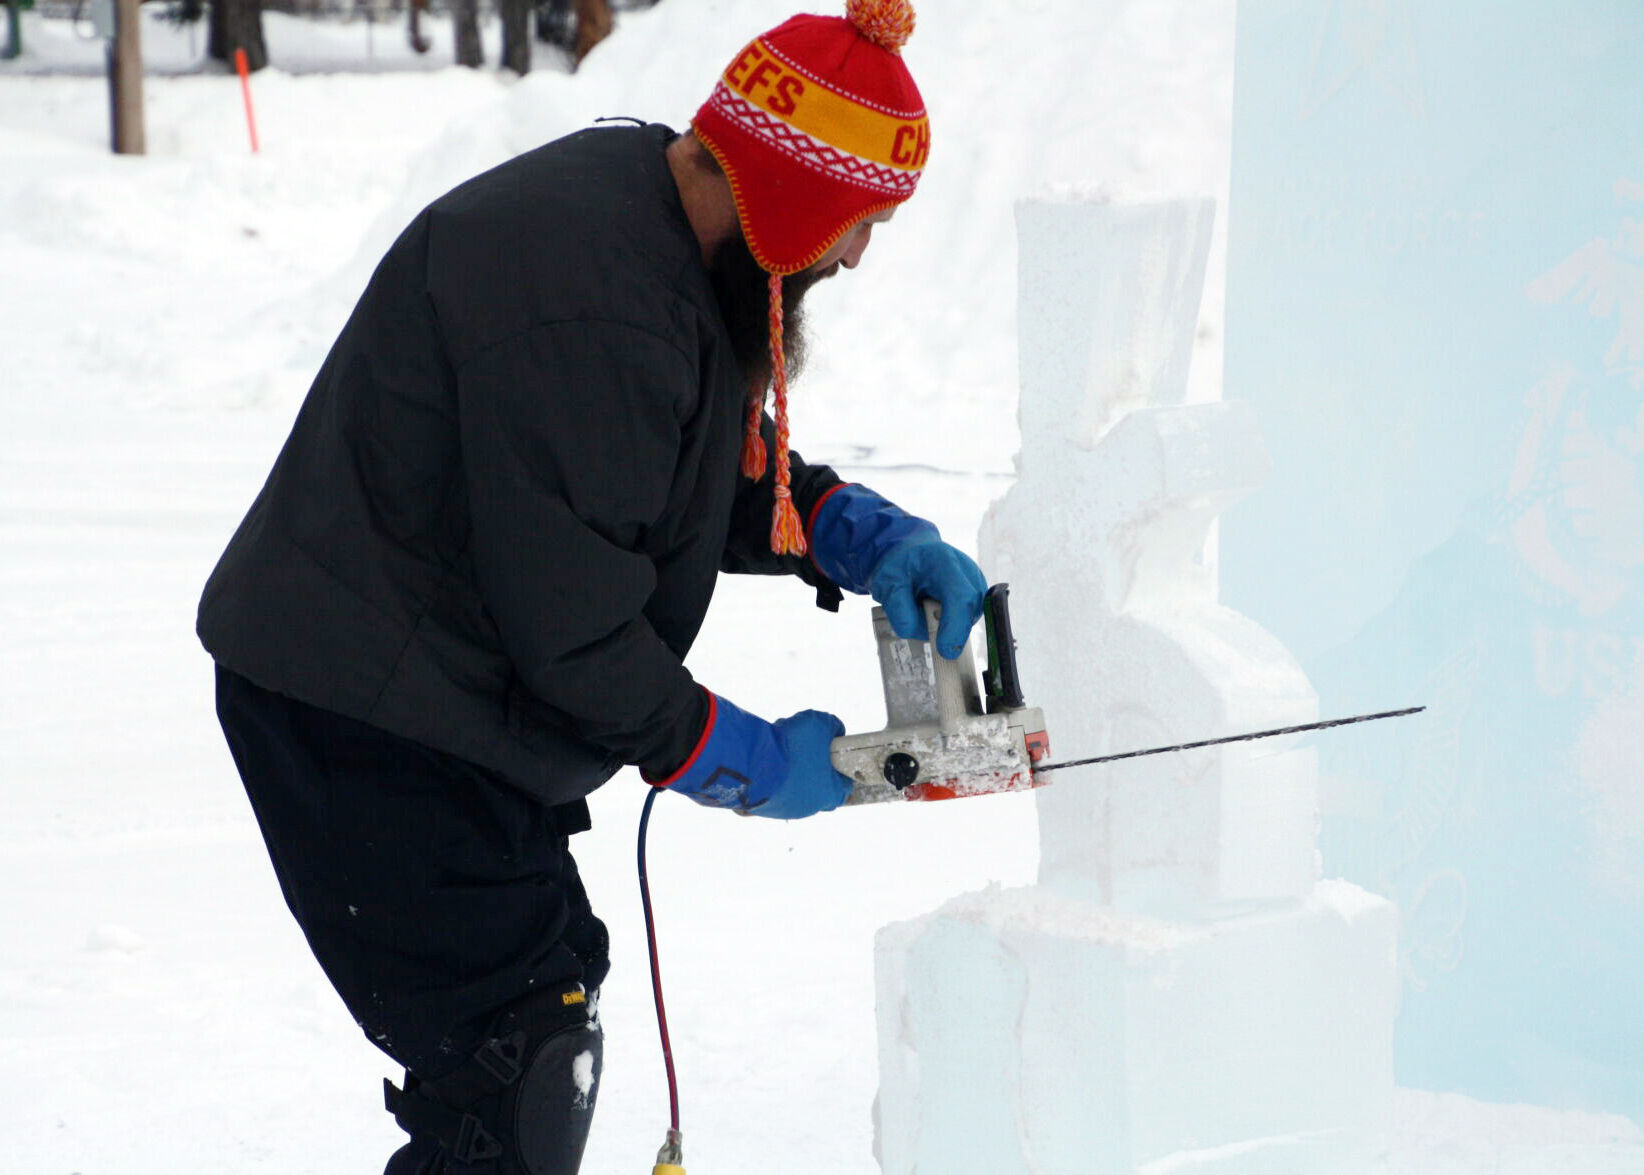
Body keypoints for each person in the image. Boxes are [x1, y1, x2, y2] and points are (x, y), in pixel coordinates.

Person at [198, 1, 982, 1170]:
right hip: (360, 703)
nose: (859, 254)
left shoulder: (657, 213)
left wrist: (838, 526)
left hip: (429, 690)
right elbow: (577, 638)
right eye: (861, 221)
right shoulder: (594, 304)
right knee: (511, 1048)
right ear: (794, 197)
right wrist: (747, 758)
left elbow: (660, 463)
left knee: (537, 1001)